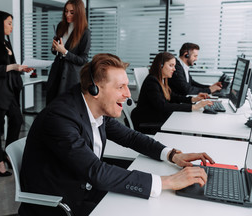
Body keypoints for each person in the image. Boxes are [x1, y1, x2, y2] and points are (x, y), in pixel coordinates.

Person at [19, 53, 214, 216]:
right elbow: (96, 172)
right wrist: (168, 181)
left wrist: (172, 154)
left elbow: (130, 137)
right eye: (120, 87)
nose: (128, 94)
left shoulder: (92, 108)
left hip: (85, 187)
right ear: (94, 89)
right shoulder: (61, 117)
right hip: (63, 203)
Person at [0, 11, 33, 177]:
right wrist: (12, 67)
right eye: (9, 23)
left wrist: (22, 68)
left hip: (10, 90)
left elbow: (10, 65)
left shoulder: (6, 42)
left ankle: (7, 152)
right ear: (0, 24)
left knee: (17, 120)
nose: (11, 26)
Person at [131, 52, 213, 134]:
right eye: (171, 65)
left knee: (184, 120)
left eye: (174, 66)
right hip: (146, 123)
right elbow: (163, 106)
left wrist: (193, 99)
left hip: (154, 117)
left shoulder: (162, 79)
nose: (174, 69)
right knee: (183, 124)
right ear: (161, 65)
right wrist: (193, 107)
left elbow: (172, 96)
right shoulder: (152, 81)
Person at [46, 0, 91, 104]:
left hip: (71, 76)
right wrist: (55, 48)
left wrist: (65, 52)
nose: (67, 15)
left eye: (72, 12)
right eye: (66, 11)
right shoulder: (61, 26)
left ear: (79, 13)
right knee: (52, 103)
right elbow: (56, 52)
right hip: (56, 71)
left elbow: (83, 59)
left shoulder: (85, 32)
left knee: (66, 106)